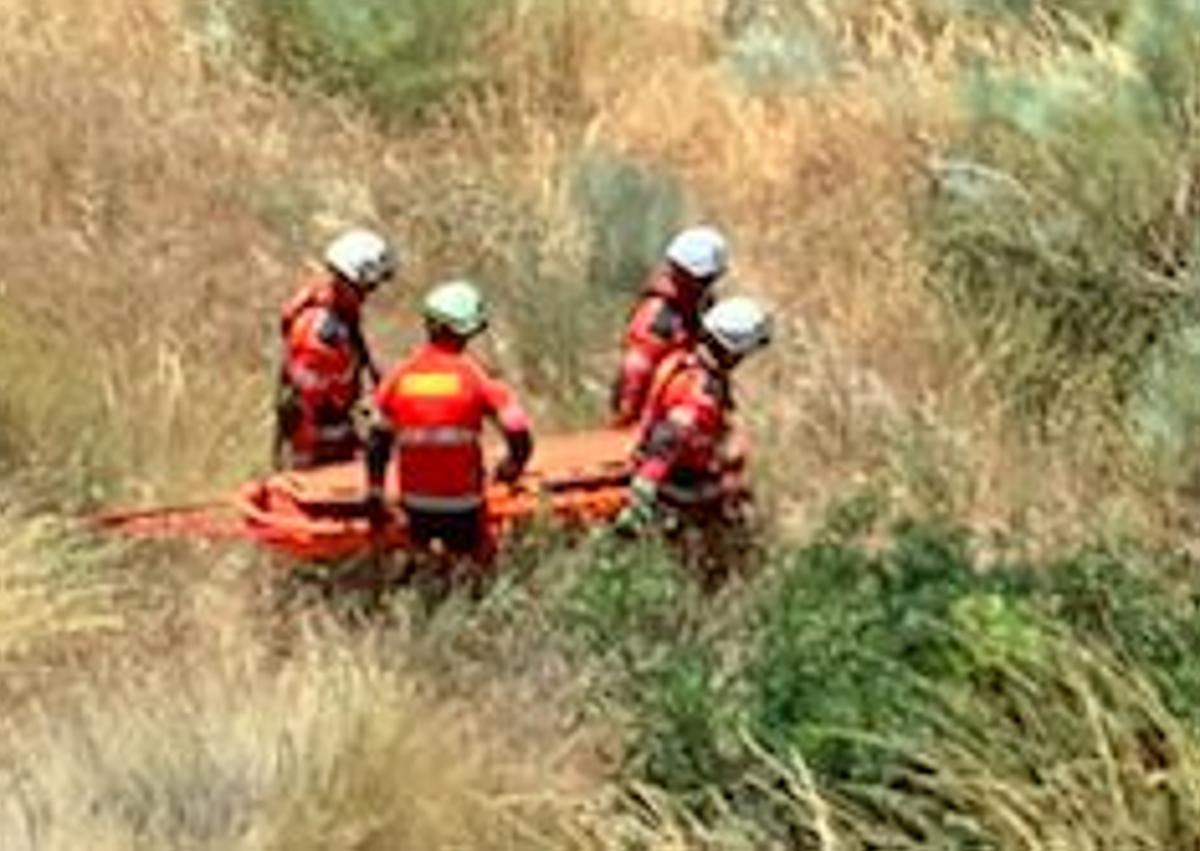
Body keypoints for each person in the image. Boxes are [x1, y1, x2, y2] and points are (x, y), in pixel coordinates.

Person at [365, 280, 533, 564]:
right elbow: (519, 435)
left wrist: (376, 492)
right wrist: (510, 468)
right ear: (469, 330)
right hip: (463, 508)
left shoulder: (399, 377)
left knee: (423, 570)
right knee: (475, 573)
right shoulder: (475, 377)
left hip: (415, 507)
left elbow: (377, 444)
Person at [615, 296, 772, 584]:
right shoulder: (701, 395)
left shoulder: (681, 362)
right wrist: (643, 492)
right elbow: (669, 439)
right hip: (676, 485)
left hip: (668, 469)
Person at [275, 227, 399, 469]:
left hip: (338, 446)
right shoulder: (318, 339)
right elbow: (304, 413)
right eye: (369, 288)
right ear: (351, 281)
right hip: (317, 459)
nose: (368, 296)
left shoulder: (342, 315)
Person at [610, 226, 730, 427]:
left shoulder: (694, 306)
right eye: (703, 279)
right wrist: (630, 422)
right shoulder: (659, 318)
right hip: (655, 422)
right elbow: (636, 370)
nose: (707, 285)